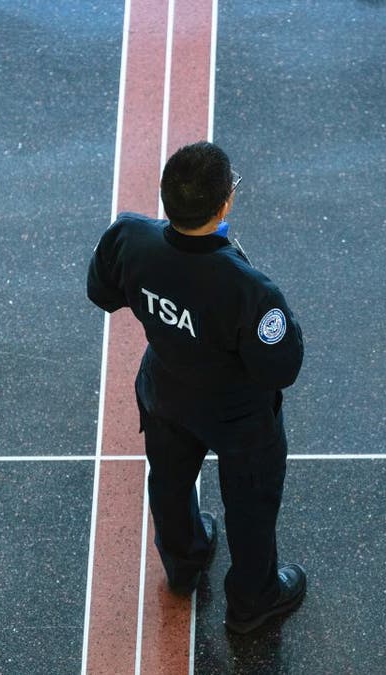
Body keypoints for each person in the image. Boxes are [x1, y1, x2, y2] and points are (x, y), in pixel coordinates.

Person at [87, 141, 306, 634]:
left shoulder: (129, 236)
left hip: (165, 391)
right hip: (237, 416)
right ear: (225, 204)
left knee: (169, 481)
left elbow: (101, 291)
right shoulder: (249, 289)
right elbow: (280, 368)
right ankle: (253, 601)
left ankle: (184, 561)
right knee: (250, 505)